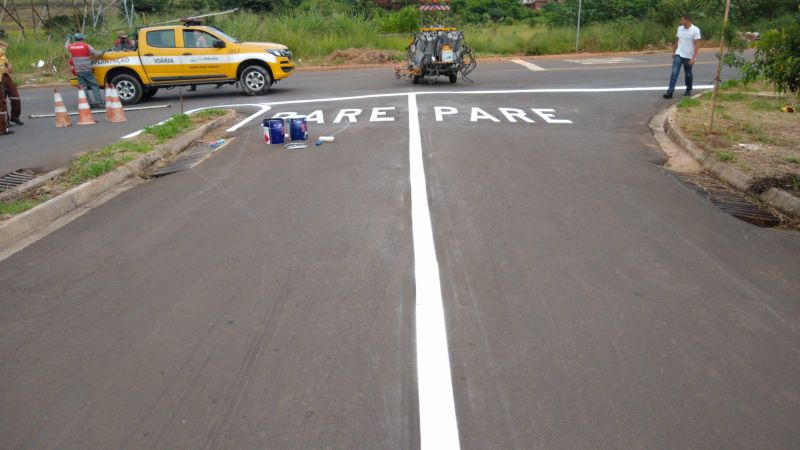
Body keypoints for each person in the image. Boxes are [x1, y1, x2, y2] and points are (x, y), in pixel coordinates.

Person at [663, 14, 701, 99]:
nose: (681, 21)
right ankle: (670, 92)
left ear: (687, 20)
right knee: (674, 72)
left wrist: (693, 58)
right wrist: (674, 51)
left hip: (689, 56)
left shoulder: (695, 30)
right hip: (679, 54)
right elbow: (678, 40)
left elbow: (697, 44)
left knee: (688, 74)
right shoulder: (680, 28)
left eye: (682, 20)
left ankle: (688, 89)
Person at [65, 33, 105, 108]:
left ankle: (89, 104)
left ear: (75, 39)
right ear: (82, 39)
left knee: (83, 87)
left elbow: (66, 46)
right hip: (87, 69)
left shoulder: (71, 47)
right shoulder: (86, 46)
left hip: (78, 70)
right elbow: (96, 54)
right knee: (94, 86)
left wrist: (68, 39)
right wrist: (102, 52)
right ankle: (99, 102)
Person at [0, 39, 22, 131]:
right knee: (2, 102)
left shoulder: (2, 53)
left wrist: (9, 65)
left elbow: (6, 46)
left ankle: (15, 117)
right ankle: (5, 122)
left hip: (6, 75)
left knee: (15, 97)